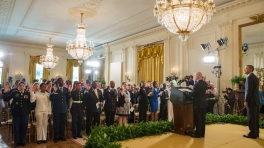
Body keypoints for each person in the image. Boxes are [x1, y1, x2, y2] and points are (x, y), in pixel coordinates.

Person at [3, 82, 31, 147]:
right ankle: (16, 141)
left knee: (23, 128)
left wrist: (28, 112)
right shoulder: (14, 92)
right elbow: (6, 98)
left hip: (24, 113)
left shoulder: (27, 93)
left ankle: (23, 141)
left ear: (24, 86)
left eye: (23, 86)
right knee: (16, 128)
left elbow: (29, 104)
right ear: (18, 86)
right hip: (16, 113)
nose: (21, 87)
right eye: (20, 86)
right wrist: (5, 92)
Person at [183, 72, 207, 138]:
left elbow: (192, 94)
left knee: (198, 119)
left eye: (194, 75)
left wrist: (185, 92)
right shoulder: (205, 83)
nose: (193, 77)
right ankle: (202, 133)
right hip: (203, 103)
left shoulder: (197, 84)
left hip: (198, 104)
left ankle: (198, 134)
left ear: (198, 76)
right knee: (202, 119)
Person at [50, 78, 71, 142]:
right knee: (56, 124)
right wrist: (54, 92)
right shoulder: (54, 89)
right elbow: (51, 99)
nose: (61, 82)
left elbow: (68, 99)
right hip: (56, 110)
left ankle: (61, 136)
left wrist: (69, 92)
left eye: (62, 81)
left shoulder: (65, 89)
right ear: (57, 82)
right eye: (60, 81)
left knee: (62, 123)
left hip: (64, 109)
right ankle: (56, 137)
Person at [243, 65, 260, 139]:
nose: (245, 69)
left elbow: (249, 90)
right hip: (255, 100)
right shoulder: (255, 77)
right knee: (255, 117)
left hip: (251, 101)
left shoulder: (249, 77)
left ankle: (252, 133)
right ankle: (256, 132)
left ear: (250, 69)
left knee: (251, 118)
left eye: (246, 68)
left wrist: (246, 101)